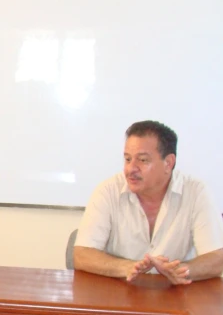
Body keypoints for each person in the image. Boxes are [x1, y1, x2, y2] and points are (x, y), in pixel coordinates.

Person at [74, 120, 223, 284]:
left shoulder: (195, 192)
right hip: (119, 294)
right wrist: (127, 267)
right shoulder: (108, 191)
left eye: (143, 160)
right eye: (128, 159)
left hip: (177, 296)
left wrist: (180, 270)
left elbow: (217, 258)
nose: (131, 169)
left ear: (168, 163)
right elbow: (82, 254)